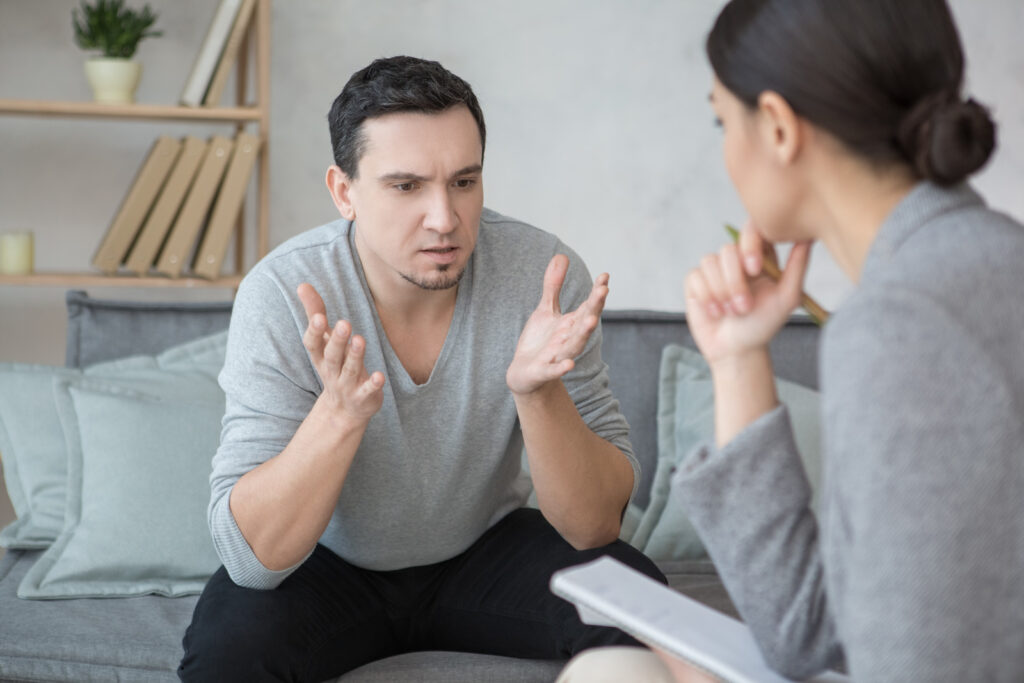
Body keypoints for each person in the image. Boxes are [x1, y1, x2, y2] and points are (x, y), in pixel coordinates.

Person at [557, 0, 1024, 681]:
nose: (723, 147)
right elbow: (812, 627)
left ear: (777, 126)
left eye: (724, 119)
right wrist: (738, 354)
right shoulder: (991, 260)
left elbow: (907, 660)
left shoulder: (901, 323)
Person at [176, 55, 665, 682]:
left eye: (464, 182)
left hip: (483, 550)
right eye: (406, 186)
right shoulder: (282, 293)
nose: (445, 218)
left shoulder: (542, 277)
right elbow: (252, 561)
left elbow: (595, 527)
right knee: (228, 651)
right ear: (344, 191)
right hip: (328, 564)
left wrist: (536, 394)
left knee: (643, 602)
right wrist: (338, 416)